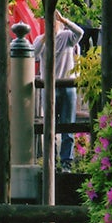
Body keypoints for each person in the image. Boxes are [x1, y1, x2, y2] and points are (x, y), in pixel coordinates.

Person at [33, 9, 84, 171]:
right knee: (50, 127)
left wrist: (64, 20)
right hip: (48, 88)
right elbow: (33, 54)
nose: (52, 23)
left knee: (68, 127)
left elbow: (80, 32)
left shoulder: (67, 36)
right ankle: (51, 162)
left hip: (68, 86)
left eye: (54, 20)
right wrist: (45, 37)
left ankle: (66, 163)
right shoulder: (40, 40)